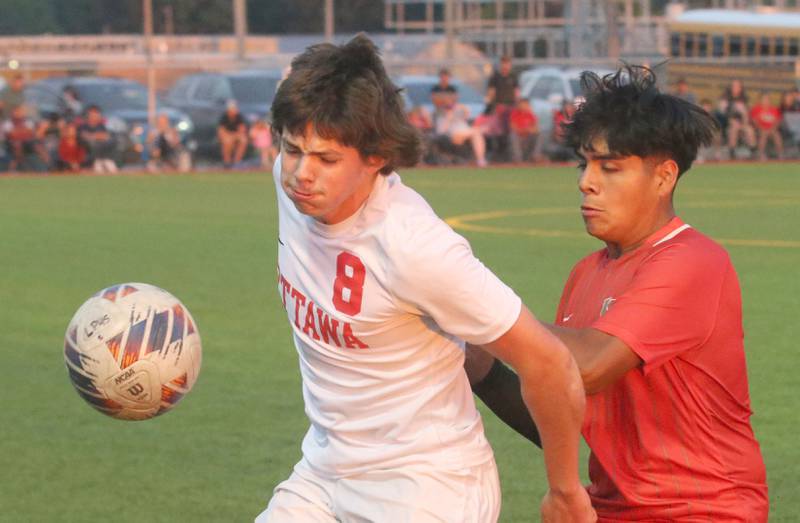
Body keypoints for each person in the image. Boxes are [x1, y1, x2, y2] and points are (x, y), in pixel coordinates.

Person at [255, 34, 594, 523]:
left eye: (327, 159)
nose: (301, 174)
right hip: (324, 474)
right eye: (291, 149)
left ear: (375, 157)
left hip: (426, 487)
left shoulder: (414, 245)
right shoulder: (289, 185)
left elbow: (549, 362)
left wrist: (565, 491)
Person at [466, 65, 769, 522]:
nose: (586, 181)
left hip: (702, 510)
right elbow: (565, 408)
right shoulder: (586, 272)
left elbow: (585, 367)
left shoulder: (692, 261)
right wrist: (482, 369)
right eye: (583, 164)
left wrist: (470, 308)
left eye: (610, 167)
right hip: (611, 510)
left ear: (664, 177)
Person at [78, 105, 117, 173]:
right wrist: (96, 136)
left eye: (97, 113)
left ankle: (103, 160)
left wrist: (94, 136)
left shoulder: (101, 126)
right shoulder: (83, 126)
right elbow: (84, 136)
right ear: (88, 115)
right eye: (93, 114)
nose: (95, 116)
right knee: (93, 143)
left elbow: (106, 136)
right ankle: (98, 162)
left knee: (110, 141)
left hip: (101, 146)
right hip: (88, 147)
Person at [750, 93, 783, 160]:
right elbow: (754, 121)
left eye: (767, 99)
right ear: (760, 100)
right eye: (764, 99)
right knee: (764, 133)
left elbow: (778, 121)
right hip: (760, 129)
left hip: (772, 129)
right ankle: (761, 153)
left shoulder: (774, 109)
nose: (766, 101)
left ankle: (780, 153)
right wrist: (762, 128)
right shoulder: (756, 109)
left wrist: (773, 128)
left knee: (776, 135)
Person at [217, 99, 248, 168]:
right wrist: (230, 136)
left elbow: (242, 129)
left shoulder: (239, 117)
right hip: (227, 136)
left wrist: (234, 135)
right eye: (233, 108)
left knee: (243, 140)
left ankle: (237, 161)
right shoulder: (224, 117)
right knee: (227, 142)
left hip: (235, 135)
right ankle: (227, 162)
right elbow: (221, 131)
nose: (235, 109)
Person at [508, 98, 539, 162]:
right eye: (521, 104)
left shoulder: (531, 115)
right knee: (512, 135)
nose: (523, 106)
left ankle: (535, 156)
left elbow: (536, 129)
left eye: (525, 105)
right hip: (519, 138)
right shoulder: (514, 114)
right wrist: (526, 130)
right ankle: (518, 158)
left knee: (539, 135)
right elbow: (513, 128)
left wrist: (529, 130)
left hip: (528, 138)